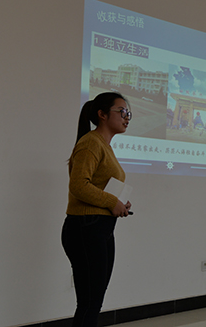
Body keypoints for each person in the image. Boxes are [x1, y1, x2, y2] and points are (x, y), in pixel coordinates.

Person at [61, 92, 133, 327]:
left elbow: (97, 185)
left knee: (93, 301)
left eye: (128, 113)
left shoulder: (104, 145)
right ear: (102, 114)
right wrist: (112, 202)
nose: (126, 117)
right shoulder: (91, 142)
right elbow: (78, 185)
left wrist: (119, 201)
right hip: (86, 228)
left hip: (100, 228)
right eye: (122, 112)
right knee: (90, 303)